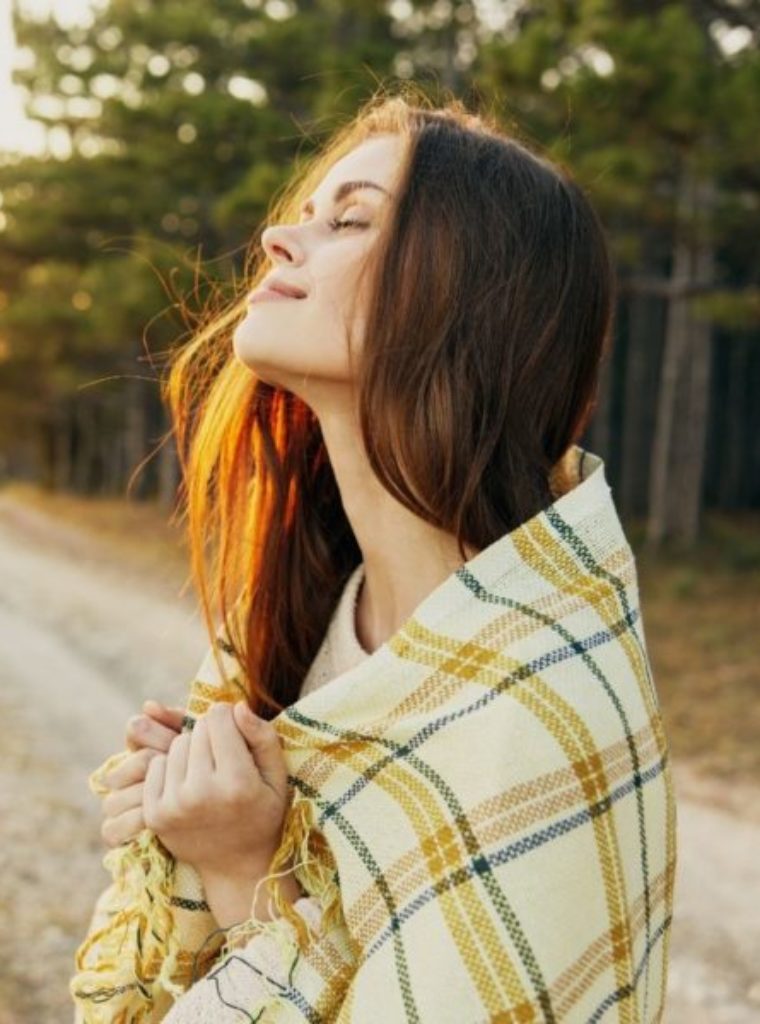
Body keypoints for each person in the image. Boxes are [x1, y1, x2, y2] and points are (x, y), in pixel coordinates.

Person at [71, 87, 677, 1022]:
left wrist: (240, 871)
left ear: (466, 298)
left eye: (348, 220)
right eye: (305, 212)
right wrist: (183, 824)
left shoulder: (541, 712)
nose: (278, 239)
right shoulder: (302, 606)